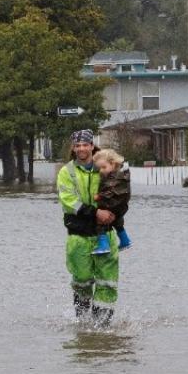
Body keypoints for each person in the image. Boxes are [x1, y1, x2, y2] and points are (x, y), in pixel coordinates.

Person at [56, 129, 119, 326]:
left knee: (107, 282)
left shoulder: (106, 166)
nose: (81, 148)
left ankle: (103, 326)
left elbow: (119, 191)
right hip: (79, 236)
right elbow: (69, 202)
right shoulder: (67, 172)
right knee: (81, 279)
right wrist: (95, 212)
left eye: (85, 144)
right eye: (77, 145)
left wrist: (116, 211)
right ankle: (83, 324)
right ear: (73, 148)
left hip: (105, 234)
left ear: (92, 145)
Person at [91, 149, 132, 254]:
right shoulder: (123, 174)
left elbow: (111, 190)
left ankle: (103, 245)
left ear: (113, 164)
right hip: (121, 206)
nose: (101, 171)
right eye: (99, 168)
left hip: (112, 203)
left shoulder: (115, 177)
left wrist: (98, 196)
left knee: (99, 220)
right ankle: (125, 240)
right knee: (117, 221)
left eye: (103, 167)